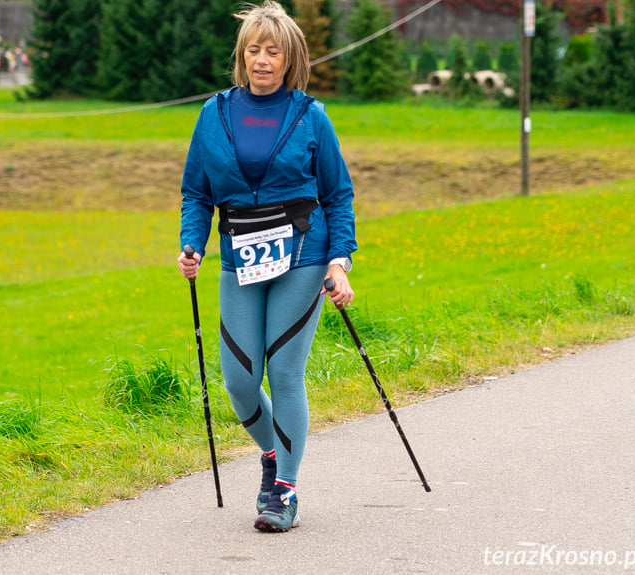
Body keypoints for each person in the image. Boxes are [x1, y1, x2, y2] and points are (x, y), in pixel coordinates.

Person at [177, 1, 357, 533]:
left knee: (282, 372)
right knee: (238, 378)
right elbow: (196, 191)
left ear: (289, 59)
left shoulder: (309, 116)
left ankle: (284, 491)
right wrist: (192, 244)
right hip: (239, 256)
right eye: (253, 49)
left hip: (303, 254)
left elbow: (338, 193)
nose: (261, 59)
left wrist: (340, 262)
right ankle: (275, 454)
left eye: (272, 51)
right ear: (242, 56)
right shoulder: (214, 112)